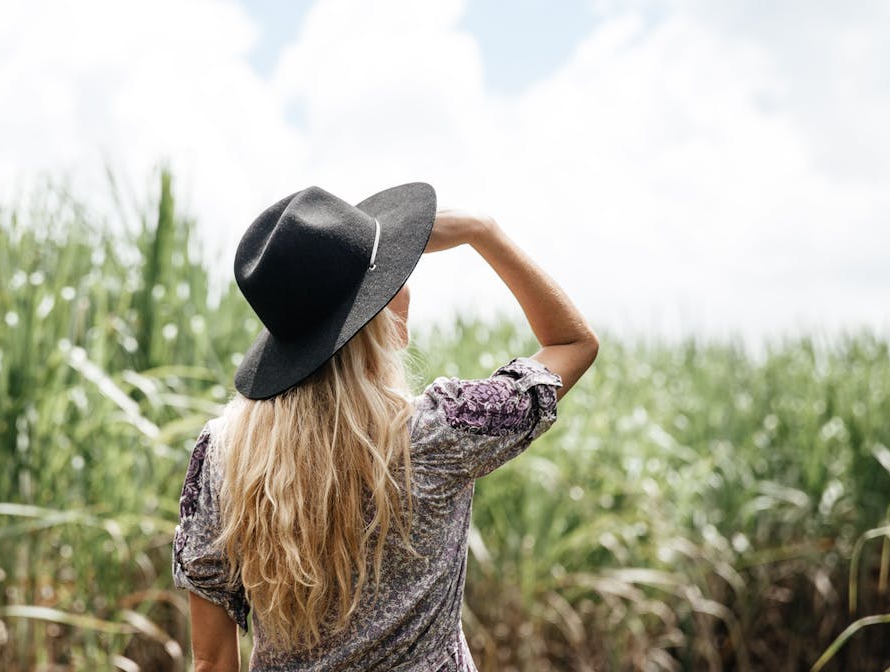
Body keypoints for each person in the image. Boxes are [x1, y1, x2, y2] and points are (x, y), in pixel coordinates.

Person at [172, 182, 598, 671]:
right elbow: (572, 343)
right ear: (375, 311)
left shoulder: (225, 454)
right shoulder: (442, 432)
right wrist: (485, 232)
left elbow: (211, 661)